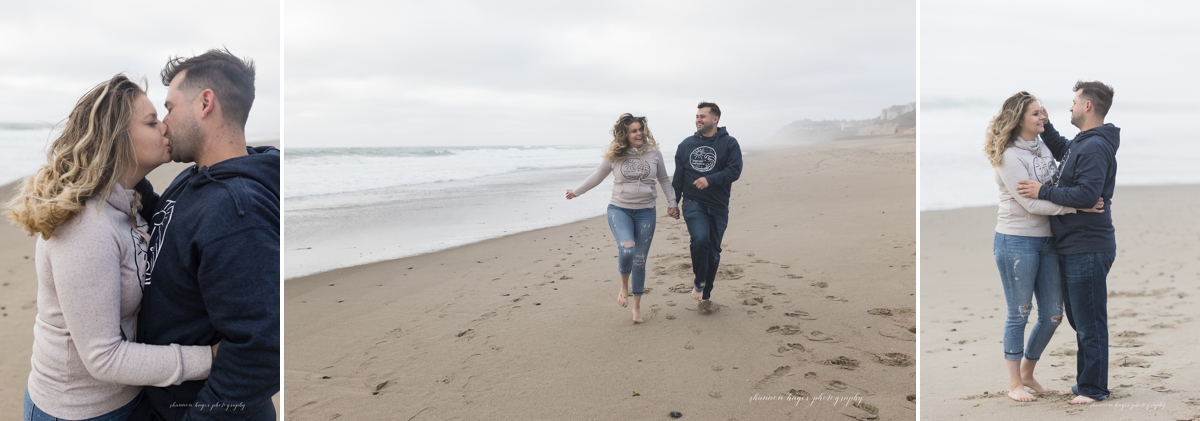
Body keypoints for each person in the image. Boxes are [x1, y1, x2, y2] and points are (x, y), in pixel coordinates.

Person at [5, 74, 217, 421]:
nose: (164, 126)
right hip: (80, 411)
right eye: (151, 122)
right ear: (117, 141)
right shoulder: (86, 227)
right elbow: (103, 357)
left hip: (125, 399)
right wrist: (210, 358)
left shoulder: (124, 205)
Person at [133, 49, 280, 419]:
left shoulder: (236, 210)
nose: (164, 123)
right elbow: (171, 227)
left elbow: (261, 349)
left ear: (205, 103)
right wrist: (126, 175)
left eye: (169, 108)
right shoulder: (197, 179)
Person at [984, 91, 1103, 402]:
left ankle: (1027, 372)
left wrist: (1072, 198)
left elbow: (1053, 186)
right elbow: (1031, 204)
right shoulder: (1009, 155)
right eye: (1036, 114)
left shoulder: (1044, 147)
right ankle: (1014, 385)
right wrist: (1077, 207)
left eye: (1043, 112)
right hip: (1016, 239)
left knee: (1052, 314)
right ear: (1019, 119)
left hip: (1049, 240)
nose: (1043, 118)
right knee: (1019, 313)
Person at [1016, 81, 1119, 405]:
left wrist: (1041, 191)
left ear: (1088, 106)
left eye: (1074, 101)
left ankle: (1093, 388)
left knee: (1089, 322)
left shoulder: (1094, 146)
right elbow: (1064, 150)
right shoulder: (1084, 142)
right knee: (1081, 319)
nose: (1070, 106)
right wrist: (1046, 126)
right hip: (1077, 244)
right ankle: (1086, 382)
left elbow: (1088, 194)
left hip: (1088, 245)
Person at [566, 113, 678, 323]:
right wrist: (576, 191)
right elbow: (597, 176)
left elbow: (663, 179)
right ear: (625, 135)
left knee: (639, 260)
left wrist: (672, 203)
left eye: (640, 129)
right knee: (627, 249)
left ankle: (636, 308)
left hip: (646, 211)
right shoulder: (615, 155)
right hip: (620, 209)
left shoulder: (654, 153)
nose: (639, 133)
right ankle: (623, 286)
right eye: (633, 131)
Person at [672, 102, 742, 310]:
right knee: (700, 239)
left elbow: (734, 171)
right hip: (694, 202)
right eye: (697, 116)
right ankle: (699, 280)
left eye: (702, 116)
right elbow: (678, 177)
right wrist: (673, 202)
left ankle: (705, 292)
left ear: (715, 119)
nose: (698, 119)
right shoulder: (686, 145)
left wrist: (710, 179)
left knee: (713, 252)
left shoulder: (729, 143)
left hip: (719, 205)